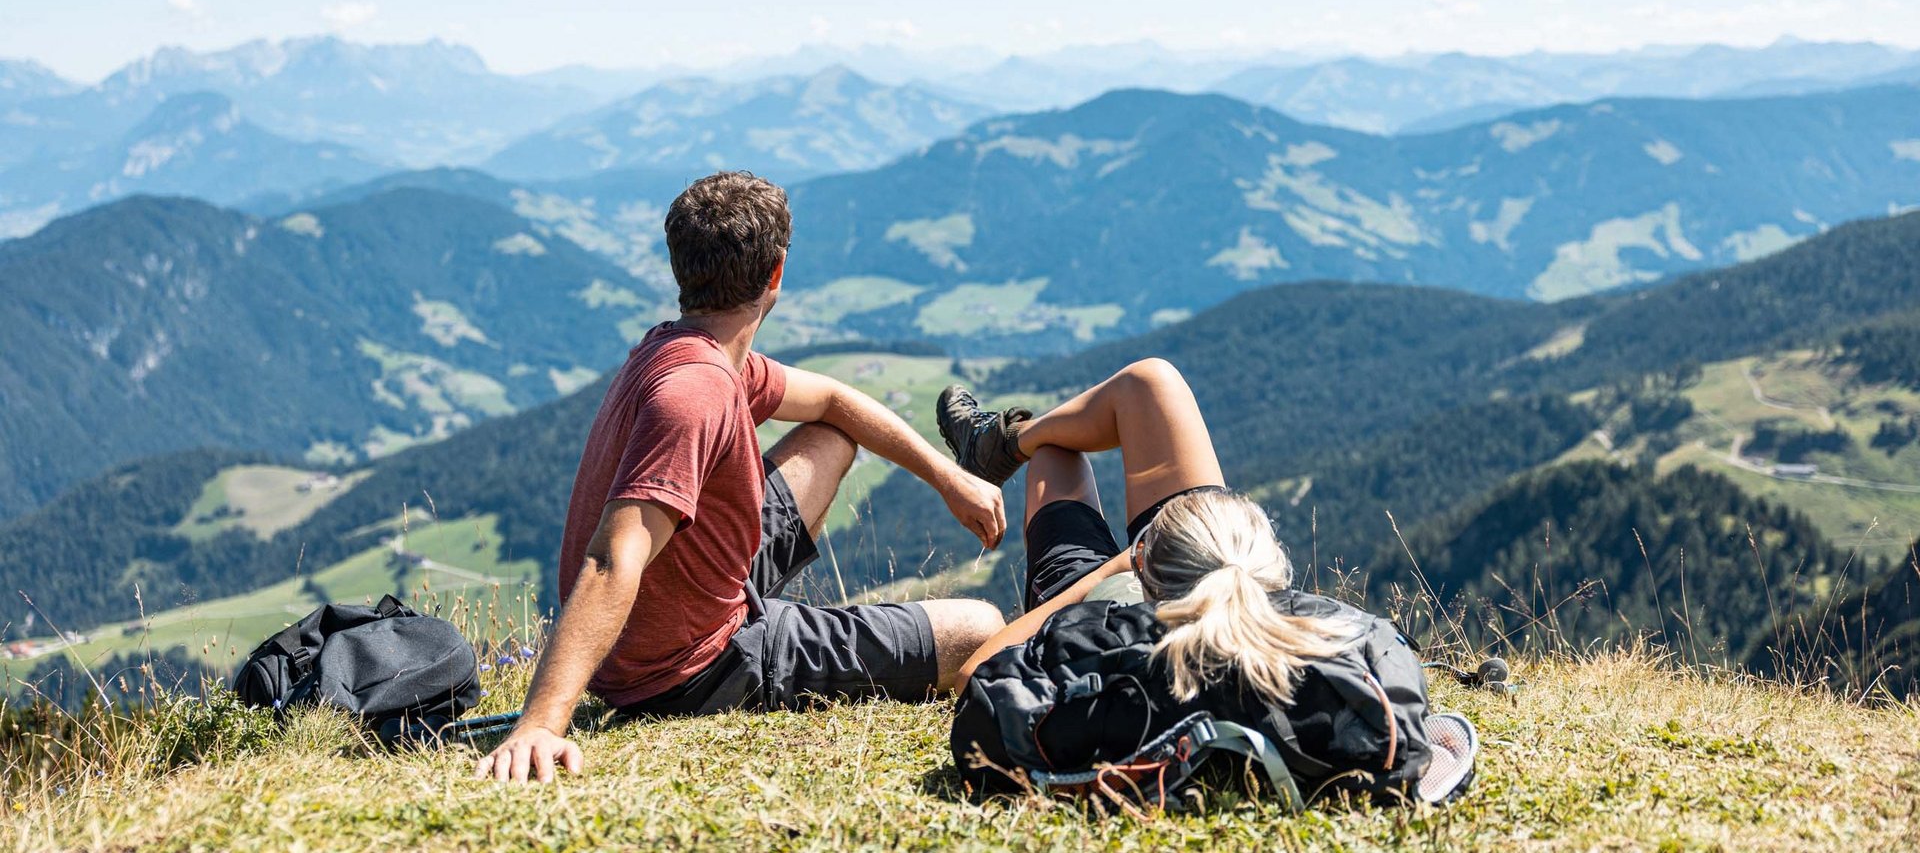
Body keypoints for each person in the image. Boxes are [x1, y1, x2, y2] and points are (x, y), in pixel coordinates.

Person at [476, 171, 1008, 783]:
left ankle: (759, 606)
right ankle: (776, 637)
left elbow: (835, 401)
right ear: (776, 273)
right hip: (687, 668)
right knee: (980, 629)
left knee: (831, 439)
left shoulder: (693, 351)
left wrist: (947, 476)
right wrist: (543, 721)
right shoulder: (696, 392)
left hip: (684, 600)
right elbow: (611, 559)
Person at [936, 358, 1357, 697]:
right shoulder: (1328, 653)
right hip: (1219, 564)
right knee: (1149, 381)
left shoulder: (1129, 655)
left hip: (1092, 601)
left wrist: (1118, 567)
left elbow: (976, 675)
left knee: (1054, 454)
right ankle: (1003, 443)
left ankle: (1000, 445)